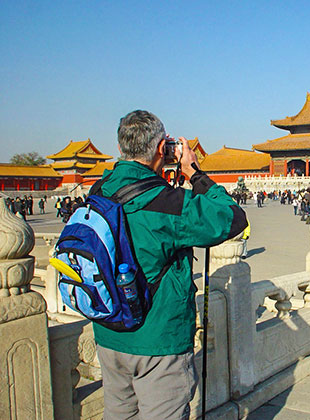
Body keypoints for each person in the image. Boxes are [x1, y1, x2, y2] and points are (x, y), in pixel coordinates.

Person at [94, 110, 247, 420]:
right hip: (158, 341)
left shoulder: (98, 191)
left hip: (108, 333)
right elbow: (232, 218)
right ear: (162, 147)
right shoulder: (167, 203)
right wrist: (194, 173)